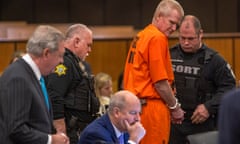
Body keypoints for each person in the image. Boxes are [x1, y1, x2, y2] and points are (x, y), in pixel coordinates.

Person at [123, 0, 185, 143]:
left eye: (177, 24)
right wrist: (175, 107)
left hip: (135, 107)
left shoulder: (142, 35)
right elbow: (160, 83)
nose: (174, 28)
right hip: (151, 110)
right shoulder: (157, 37)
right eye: (171, 22)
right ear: (158, 17)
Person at [169, 15, 236, 144]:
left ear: (200, 34)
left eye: (191, 38)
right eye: (182, 38)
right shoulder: (169, 55)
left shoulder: (215, 60)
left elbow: (229, 88)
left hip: (202, 126)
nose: (186, 42)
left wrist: (209, 107)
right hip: (174, 126)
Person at [0, 25, 69, 144]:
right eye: (60, 55)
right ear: (46, 53)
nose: (61, 61)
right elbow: (16, 129)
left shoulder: (34, 75)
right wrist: (50, 140)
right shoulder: (18, 77)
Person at [46, 23, 100, 144]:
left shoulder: (72, 62)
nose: (90, 50)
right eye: (88, 45)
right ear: (76, 42)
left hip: (77, 130)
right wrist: (61, 131)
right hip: (69, 131)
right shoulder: (65, 62)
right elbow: (54, 95)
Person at [78, 90, 146, 144]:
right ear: (116, 112)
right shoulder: (96, 134)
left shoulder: (126, 130)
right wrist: (133, 141)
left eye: (139, 113)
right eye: (133, 113)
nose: (138, 118)